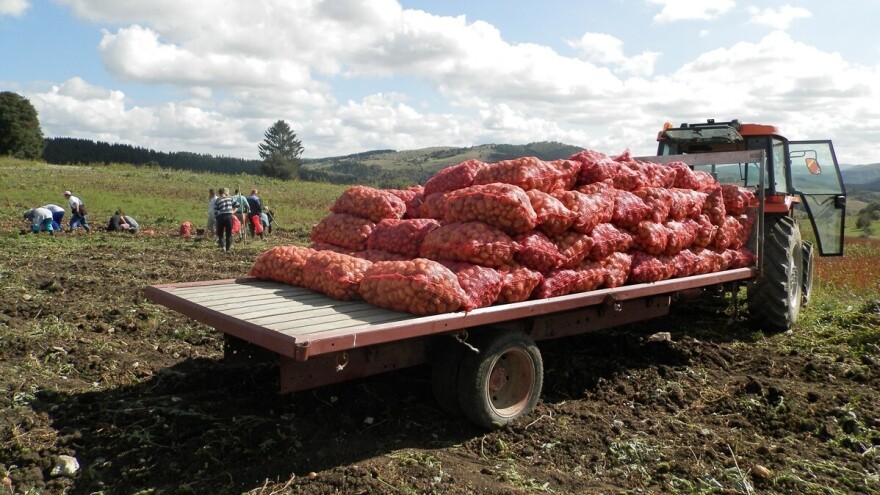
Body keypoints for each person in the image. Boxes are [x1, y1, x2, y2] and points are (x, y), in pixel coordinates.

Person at [214, 187, 236, 252]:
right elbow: (237, 205)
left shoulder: (218, 200)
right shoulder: (230, 198)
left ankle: (223, 247)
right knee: (228, 233)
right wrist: (233, 212)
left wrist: (217, 218)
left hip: (221, 217)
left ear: (219, 193)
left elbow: (215, 211)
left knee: (220, 233)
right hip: (229, 216)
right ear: (224, 192)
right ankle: (228, 249)